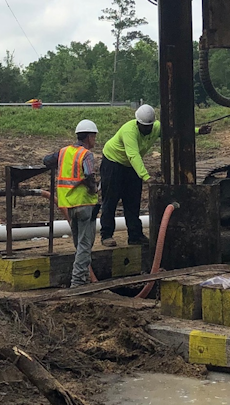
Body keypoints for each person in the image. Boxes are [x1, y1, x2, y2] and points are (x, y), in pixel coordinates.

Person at [43, 119, 100, 287]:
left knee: (78, 243)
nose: (94, 140)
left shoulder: (63, 152)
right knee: (85, 245)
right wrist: (94, 189)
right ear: (89, 137)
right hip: (85, 204)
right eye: (94, 137)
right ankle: (77, 281)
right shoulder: (86, 154)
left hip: (69, 204)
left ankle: (81, 278)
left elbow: (46, 160)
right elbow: (89, 176)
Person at [99, 104, 160, 246]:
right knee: (110, 200)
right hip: (113, 163)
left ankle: (135, 236)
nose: (147, 129)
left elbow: (174, 131)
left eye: (149, 126)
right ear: (138, 123)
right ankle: (106, 235)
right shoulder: (129, 131)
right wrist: (147, 177)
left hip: (131, 167)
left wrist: (198, 131)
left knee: (132, 201)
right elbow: (133, 155)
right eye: (144, 126)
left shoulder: (156, 127)